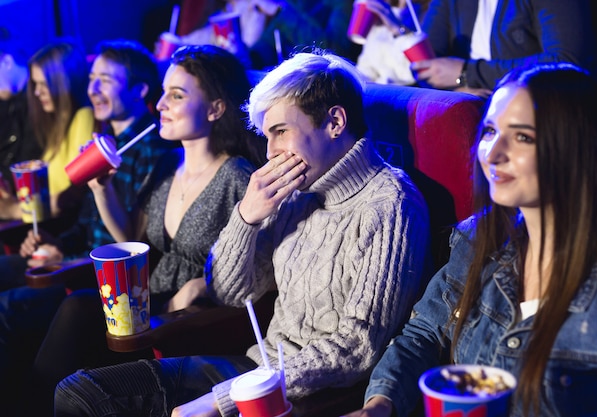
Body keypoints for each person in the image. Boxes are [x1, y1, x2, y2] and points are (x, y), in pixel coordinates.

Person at [54, 49, 431, 417]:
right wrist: (246, 217)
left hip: (306, 391)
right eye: (267, 136)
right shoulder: (297, 192)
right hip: (253, 370)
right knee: (79, 391)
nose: (270, 152)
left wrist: (222, 400)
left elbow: (355, 348)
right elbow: (231, 292)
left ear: (334, 122)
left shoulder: (391, 204)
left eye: (281, 132)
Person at [343, 63, 597, 417]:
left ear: (574, 147)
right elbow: (424, 334)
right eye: (490, 131)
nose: (491, 153)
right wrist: (379, 405)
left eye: (522, 136)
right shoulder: (478, 237)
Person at [25, 45, 266, 416]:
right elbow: (131, 241)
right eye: (163, 93)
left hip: (184, 325)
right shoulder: (170, 165)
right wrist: (101, 189)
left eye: (177, 95)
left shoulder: (237, 178)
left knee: (75, 319)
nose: (160, 104)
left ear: (216, 109)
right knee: (69, 315)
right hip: (143, 310)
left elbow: (259, 267)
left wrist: (206, 284)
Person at [0, 39, 176, 416]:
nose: (93, 89)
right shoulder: (103, 141)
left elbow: (135, 244)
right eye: (92, 79)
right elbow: (82, 226)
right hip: (75, 259)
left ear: (140, 89)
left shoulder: (155, 151)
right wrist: (53, 243)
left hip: (105, 278)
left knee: (9, 309)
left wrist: (69, 254)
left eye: (106, 81)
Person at [412, 0, 597, 98]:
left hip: (543, 110)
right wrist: (457, 92)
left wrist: (469, 73)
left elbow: (566, 61)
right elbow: (427, 64)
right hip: (469, 108)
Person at [0, 39, 93, 220]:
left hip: (67, 232)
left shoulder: (84, 116)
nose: (37, 92)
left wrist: (13, 210)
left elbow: (75, 194)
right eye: (35, 84)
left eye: (44, 84)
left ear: (65, 82)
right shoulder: (56, 125)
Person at [169, 0, 361, 70]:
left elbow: (334, 50)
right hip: (285, 80)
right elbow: (262, 50)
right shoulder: (294, 4)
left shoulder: (340, 3)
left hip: (322, 82)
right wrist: (241, 57)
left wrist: (280, 10)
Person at [0, 39, 41, 202]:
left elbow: (27, 164)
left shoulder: (40, 100)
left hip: (28, 199)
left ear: (8, 62)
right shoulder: (7, 100)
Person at [354, 0, 424, 85]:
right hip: (378, 92)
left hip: (406, 93)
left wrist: (397, 29)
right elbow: (366, 69)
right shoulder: (379, 11)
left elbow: (414, 74)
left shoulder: (425, 13)